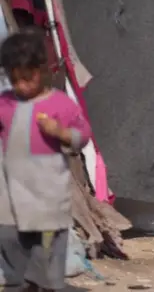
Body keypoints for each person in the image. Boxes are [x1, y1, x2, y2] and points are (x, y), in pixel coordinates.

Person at [0, 28, 91, 292]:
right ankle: (20, 283)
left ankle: (49, 284)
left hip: (46, 188)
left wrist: (59, 132)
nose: (22, 86)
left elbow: (82, 135)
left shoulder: (60, 105)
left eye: (28, 79)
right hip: (11, 188)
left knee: (48, 238)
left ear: (43, 69)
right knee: (9, 235)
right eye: (15, 80)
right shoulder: (5, 103)